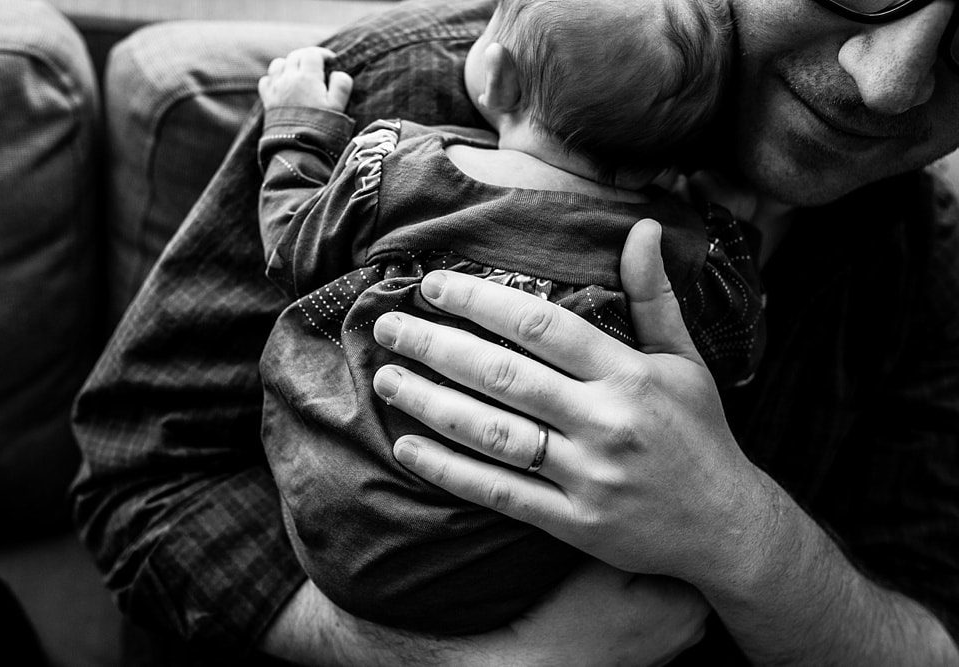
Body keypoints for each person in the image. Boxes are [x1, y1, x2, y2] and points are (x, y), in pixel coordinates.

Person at [71, 0, 959, 664]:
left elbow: (928, 622)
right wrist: (472, 660)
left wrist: (748, 537)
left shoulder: (923, 254)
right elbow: (140, 477)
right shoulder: (390, 96)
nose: (889, 84)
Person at [255, 0, 762, 636]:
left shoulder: (403, 171)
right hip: (514, 579)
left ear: (498, 78)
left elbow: (290, 245)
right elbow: (735, 356)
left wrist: (297, 123)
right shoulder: (681, 257)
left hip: (333, 511)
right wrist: (726, 227)